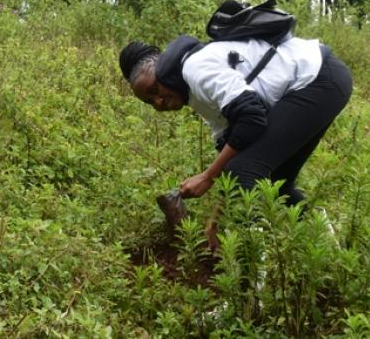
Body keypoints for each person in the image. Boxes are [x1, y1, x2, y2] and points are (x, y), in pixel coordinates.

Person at [119, 26, 352, 240]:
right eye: (150, 102)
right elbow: (233, 147)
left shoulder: (195, 69)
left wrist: (207, 177)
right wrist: (216, 220)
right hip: (322, 79)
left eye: (155, 90)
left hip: (318, 77)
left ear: (163, 72)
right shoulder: (193, 93)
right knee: (277, 181)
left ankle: (254, 275)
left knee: (244, 169)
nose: (159, 102)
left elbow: (251, 118)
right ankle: (328, 247)